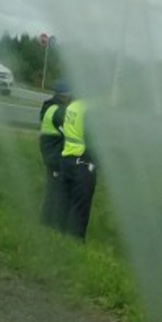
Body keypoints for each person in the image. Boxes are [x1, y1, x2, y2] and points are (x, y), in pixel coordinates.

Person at [58, 96, 97, 240]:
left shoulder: (72, 106)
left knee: (65, 204)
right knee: (80, 209)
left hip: (67, 158)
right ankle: (75, 244)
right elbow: (93, 139)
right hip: (83, 163)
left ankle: (60, 239)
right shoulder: (89, 109)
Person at [38, 81, 71, 229]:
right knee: (56, 190)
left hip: (51, 153)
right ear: (64, 95)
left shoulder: (50, 107)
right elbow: (71, 129)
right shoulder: (58, 111)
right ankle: (49, 224)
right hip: (54, 154)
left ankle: (48, 223)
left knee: (54, 188)